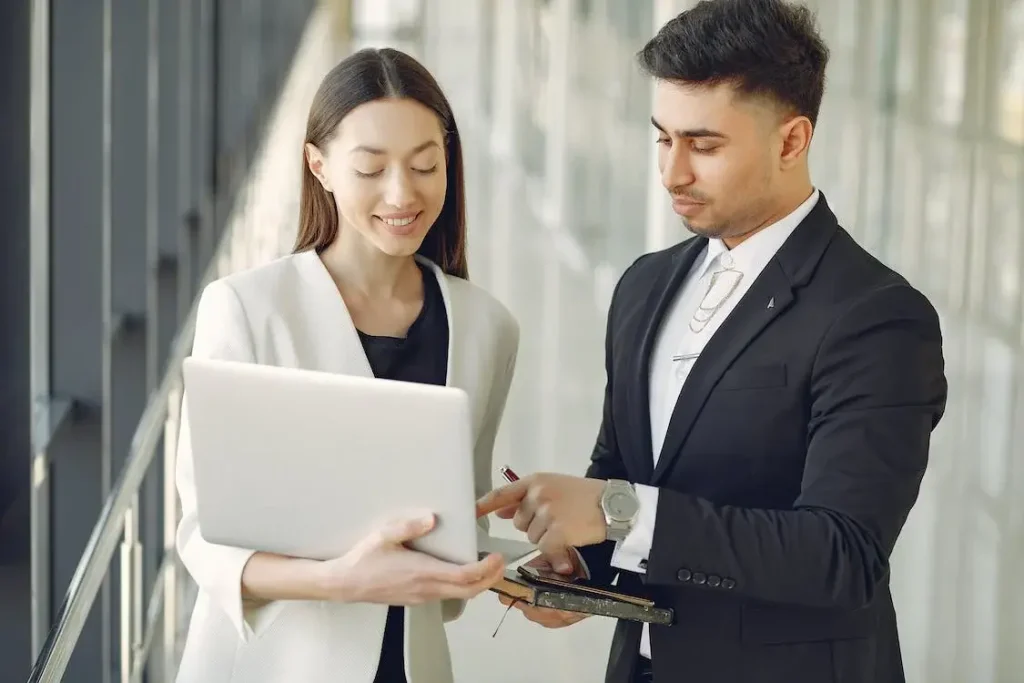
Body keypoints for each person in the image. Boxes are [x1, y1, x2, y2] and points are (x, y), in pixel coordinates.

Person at [476, 1, 947, 682]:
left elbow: (841, 554)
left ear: (792, 141)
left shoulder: (876, 316)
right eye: (662, 138)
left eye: (704, 145)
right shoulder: (644, 286)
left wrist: (620, 512)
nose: (671, 173)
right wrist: (580, 565)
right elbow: (624, 476)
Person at [175, 47, 519, 683]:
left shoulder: (486, 327)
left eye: (425, 166)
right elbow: (204, 539)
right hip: (272, 665)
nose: (402, 194)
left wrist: (523, 563)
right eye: (370, 168)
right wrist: (338, 582)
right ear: (319, 165)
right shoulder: (245, 310)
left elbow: (450, 533)